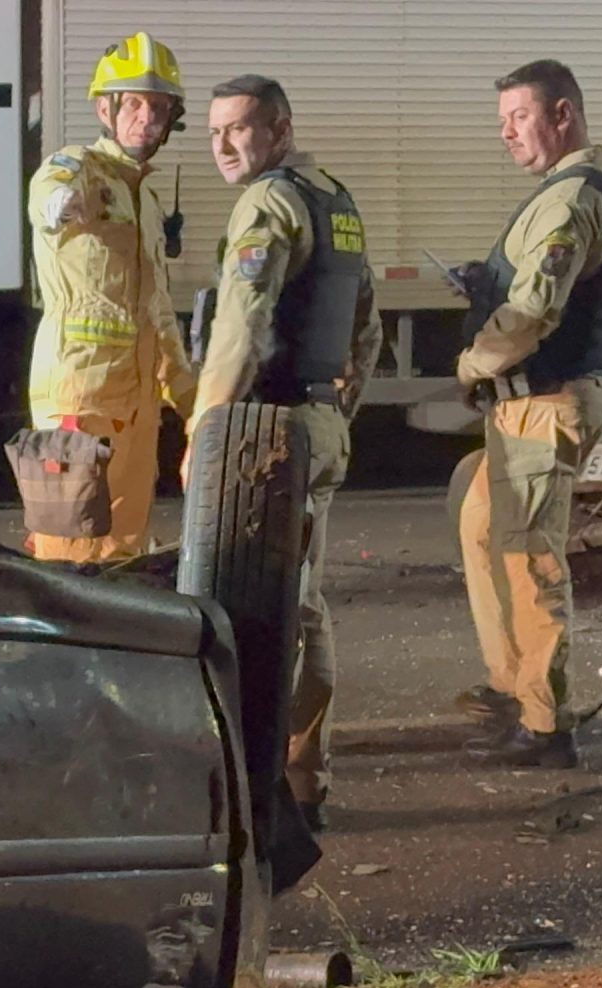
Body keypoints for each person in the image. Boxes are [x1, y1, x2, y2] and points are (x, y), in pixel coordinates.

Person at [190, 74, 381, 832]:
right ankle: (305, 782)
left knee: (265, 612)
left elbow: (241, 325)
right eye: (213, 134)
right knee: (306, 606)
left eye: (239, 129)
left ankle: (264, 790)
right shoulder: (336, 200)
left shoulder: (269, 203)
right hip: (318, 420)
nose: (225, 146)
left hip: (268, 433)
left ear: (278, 127)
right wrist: (340, 407)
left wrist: (208, 428)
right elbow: (364, 322)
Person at [452, 59, 602, 769]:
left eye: (520, 118)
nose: (507, 134)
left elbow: (533, 311)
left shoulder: (571, 200)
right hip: (531, 403)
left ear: (563, 115)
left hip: (545, 399)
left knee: (528, 561)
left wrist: (473, 362)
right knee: (483, 531)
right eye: (503, 121)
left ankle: (545, 723)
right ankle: (514, 687)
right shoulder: (572, 193)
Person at [24, 30, 198, 564]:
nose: (147, 118)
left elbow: (156, 309)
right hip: (80, 400)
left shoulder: (143, 196)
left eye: (160, 107)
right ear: (106, 108)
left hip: (137, 408)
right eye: (136, 104)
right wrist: (63, 204)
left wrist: (191, 400)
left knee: (124, 553)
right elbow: (47, 196)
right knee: (67, 552)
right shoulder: (78, 165)